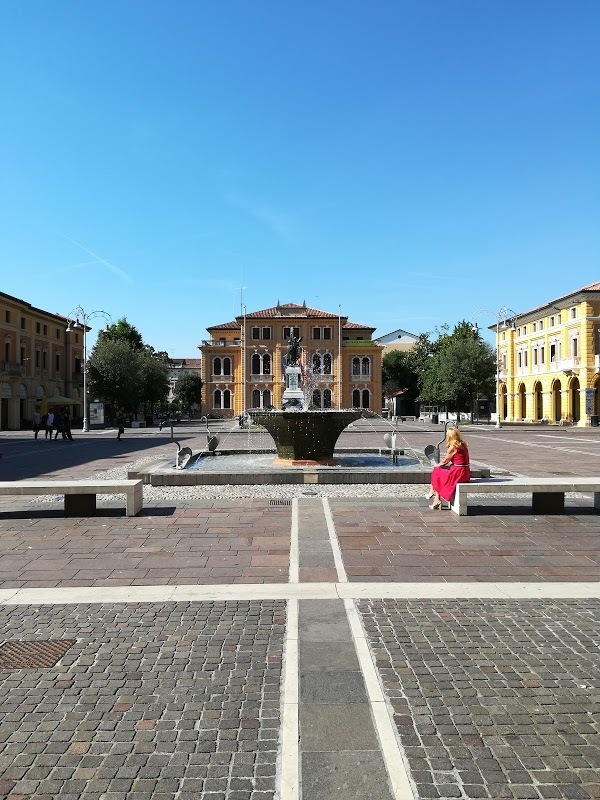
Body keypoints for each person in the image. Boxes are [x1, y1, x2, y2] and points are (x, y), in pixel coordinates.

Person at [427, 426, 471, 510]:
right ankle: (436, 499)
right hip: (465, 472)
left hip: (459, 473)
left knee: (436, 471)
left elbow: (445, 461)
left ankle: (432, 491)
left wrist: (437, 465)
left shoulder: (453, 447)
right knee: (439, 473)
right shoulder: (463, 445)